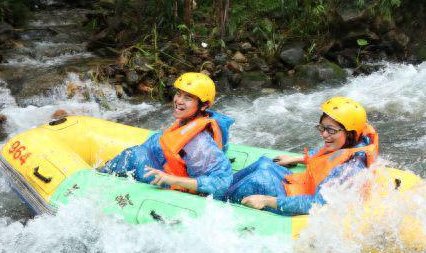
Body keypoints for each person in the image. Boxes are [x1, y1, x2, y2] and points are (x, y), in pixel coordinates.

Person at [225, 97, 379, 215]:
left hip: (303, 206)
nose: (324, 134)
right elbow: (324, 157)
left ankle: (219, 200)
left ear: (350, 133)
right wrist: (297, 158)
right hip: (305, 189)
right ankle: (222, 187)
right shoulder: (348, 143)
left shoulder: (349, 169)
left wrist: (267, 201)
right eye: (322, 128)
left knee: (258, 180)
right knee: (264, 163)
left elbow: (318, 204)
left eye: (331, 130)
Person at [100, 72, 234, 198]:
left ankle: (98, 177)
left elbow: (222, 181)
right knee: (154, 140)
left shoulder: (199, 142)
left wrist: (172, 179)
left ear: (203, 105)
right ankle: (106, 170)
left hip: (177, 189)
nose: (179, 100)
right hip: (171, 173)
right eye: (179, 94)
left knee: (135, 155)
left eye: (187, 97)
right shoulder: (191, 120)